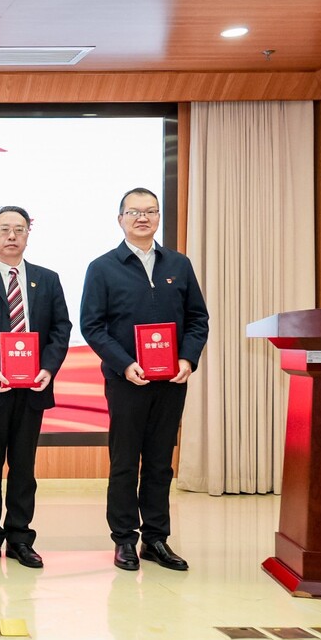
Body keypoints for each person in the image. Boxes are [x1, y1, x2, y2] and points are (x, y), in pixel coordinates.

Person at [80, 187, 209, 572]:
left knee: (159, 462)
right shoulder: (102, 267)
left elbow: (198, 319)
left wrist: (187, 358)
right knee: (124, 461)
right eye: (134, 212)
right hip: (126, 381)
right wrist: (124, 364)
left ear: (158, 218)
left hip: (171, 381)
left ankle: (155, 538)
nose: (143, 218)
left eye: (150, 211)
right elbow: (93, 326)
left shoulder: (179, 265)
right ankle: (123, 539)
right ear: (120, 219)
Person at [0, 206, 71, 569]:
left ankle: (20, 537)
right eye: (4, 229)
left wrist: (48, 368)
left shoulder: (47, 279)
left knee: (24, 466)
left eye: (19, 229)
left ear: (28, 235)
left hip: (33, 388)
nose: (11, 236)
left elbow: (61, 328)